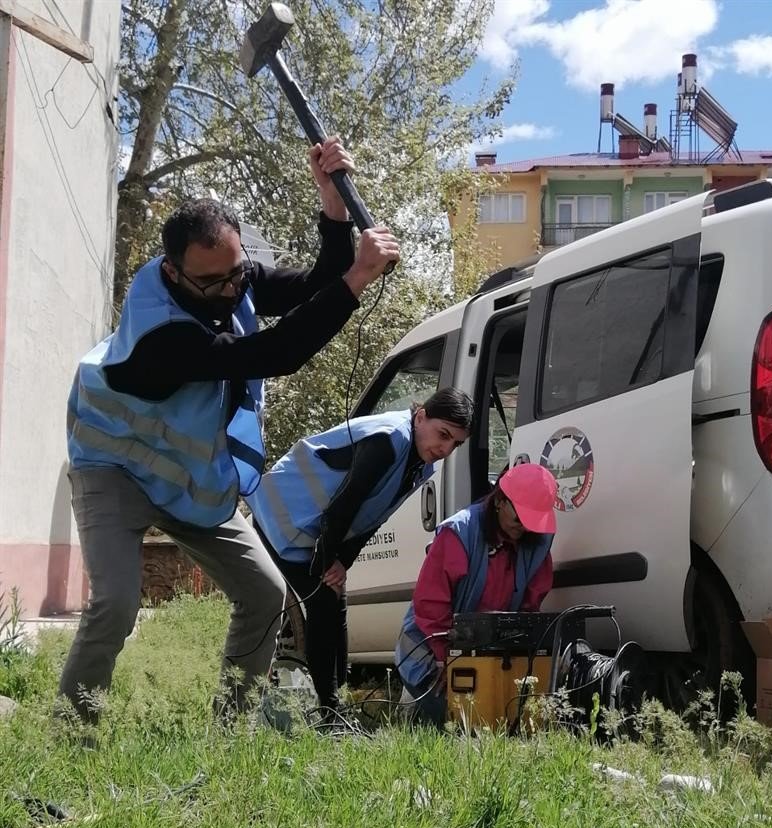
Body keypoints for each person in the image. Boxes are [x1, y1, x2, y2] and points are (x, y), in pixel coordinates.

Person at [59, 137, 400, 725]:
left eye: (237, 275)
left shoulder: (228, 275)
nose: (230, 292)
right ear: (173, 272)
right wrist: (358, 279)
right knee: (116, 602)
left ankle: (229, 729)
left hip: (187, 478)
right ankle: (72, 728)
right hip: (114, 468)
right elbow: (277, 351)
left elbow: (310, 286)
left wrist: (333, 210)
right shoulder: (164, 334)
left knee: (266, 594)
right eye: (212, 284)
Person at [249, 388, 474, 720]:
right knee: (324, 601)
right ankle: (330, 713)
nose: (445, 448)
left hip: (312, 527)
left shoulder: (418, 463)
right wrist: (330, 562)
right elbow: (345, 504)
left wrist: (343, 563)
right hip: (280, 515)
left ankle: (334, 708)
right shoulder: (389, 439)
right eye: (443, 434)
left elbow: (373, 517)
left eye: (455, 443)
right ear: (421, 416)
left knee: (333, 603)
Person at [395, 463, 558, 729]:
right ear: (500, 502)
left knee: (502, 725)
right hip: (429, 652)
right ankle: (413, 709)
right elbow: (430, 604)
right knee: (461, 725)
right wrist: (446, 659)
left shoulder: (537, 541)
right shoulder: (458, 534)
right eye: (520, 519)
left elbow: (531, 605)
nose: (526, 528)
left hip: (486, 654)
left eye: (533, 522)